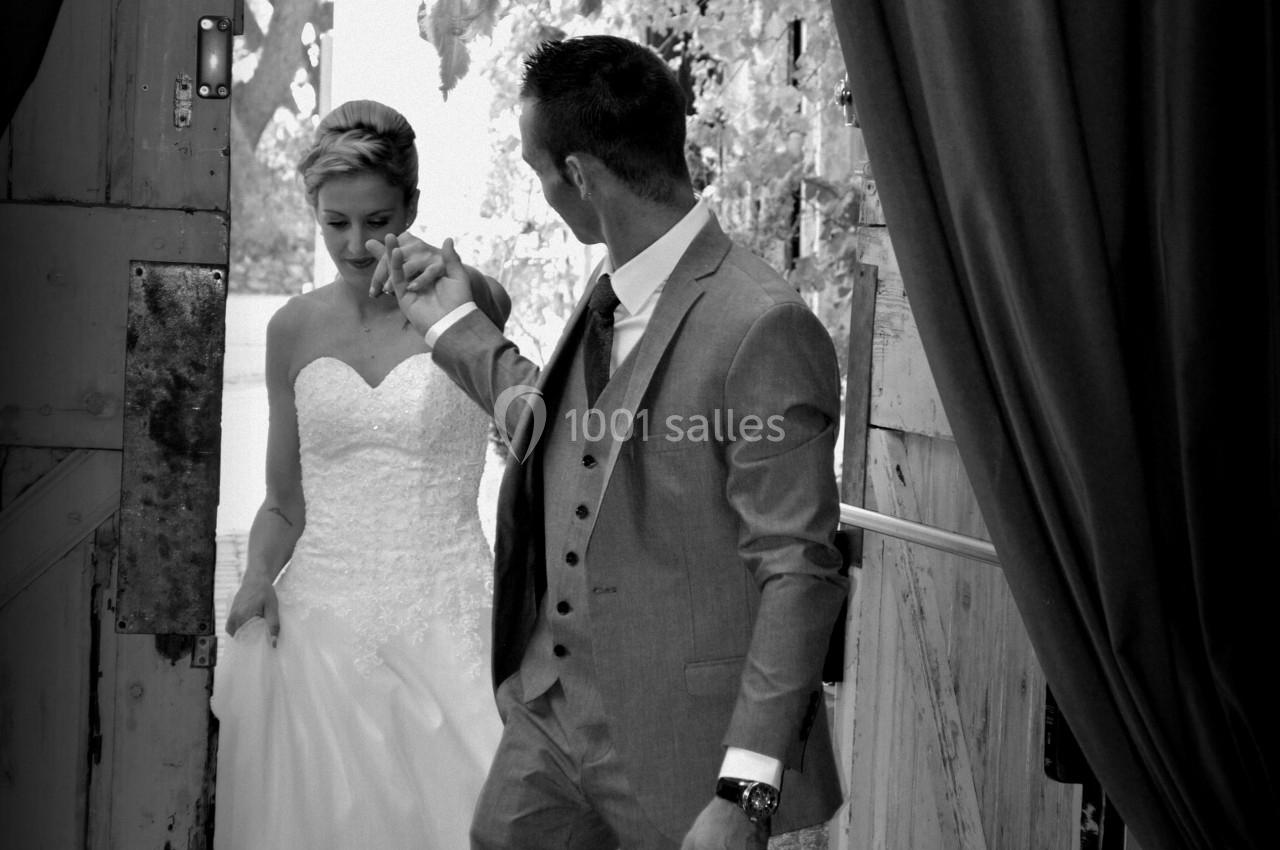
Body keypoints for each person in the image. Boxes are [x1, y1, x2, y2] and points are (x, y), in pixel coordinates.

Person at [372, 35, 850, 850]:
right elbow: (564, 430)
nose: (543, 187)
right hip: (550, 721)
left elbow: (799, 568)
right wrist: (450, 320)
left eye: (538, 170)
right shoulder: (610, 290)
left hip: (684, 748)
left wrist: (747, 791)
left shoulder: (761, 324)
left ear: (580, 177)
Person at [210, 99, 510, 849]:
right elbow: (284, 503)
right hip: (321, 633)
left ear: (412, 204)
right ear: (313, 209)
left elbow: (520, 424)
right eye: (335, 220)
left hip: (454, 618)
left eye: (377, 220)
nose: (355, 242)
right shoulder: (293, 329)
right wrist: (255, 578)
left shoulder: (477, 299)